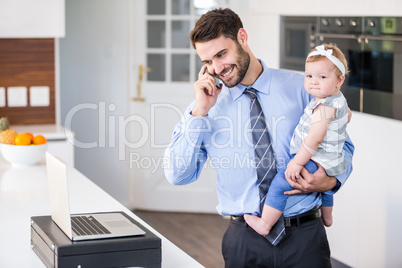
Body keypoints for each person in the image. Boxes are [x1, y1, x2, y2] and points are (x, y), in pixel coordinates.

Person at [164, 8, 354, 268]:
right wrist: (199, 112)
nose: (217, 68)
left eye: (221, 54)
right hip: (244, 240)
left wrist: (330, 180)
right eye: (207, 62)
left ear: (242, 37)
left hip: (305, 236)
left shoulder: (303, 88)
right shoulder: (205, 107)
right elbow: (178, 174)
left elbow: (343, 145)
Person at [244, 43, 351, 238]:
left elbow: (314, 140)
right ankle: (328, 217)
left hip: (314, 161)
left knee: (279, 184)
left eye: (322, 77)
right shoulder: (337, 100)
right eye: (309, 76)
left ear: (339, 80)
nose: (314, 82)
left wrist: (297, 162)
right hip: (333, 161)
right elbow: (347, 117)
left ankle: (265, 224)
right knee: (326, 191)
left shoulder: (323, 108)